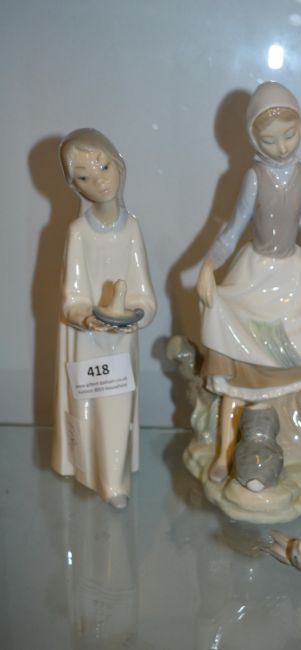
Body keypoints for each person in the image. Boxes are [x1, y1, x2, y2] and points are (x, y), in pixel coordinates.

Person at [197, 82, 301, 483]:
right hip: (255, 276)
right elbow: (232, 230)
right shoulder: (254, 178)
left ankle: (283, 441)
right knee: (235, 368)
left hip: (291, 277)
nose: (282, 148)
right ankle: (224, 452)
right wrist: (209, 266)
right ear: (254, 139)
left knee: (292, 347)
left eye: (290, 135)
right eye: (269, 140)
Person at [52, 129, 156, 508]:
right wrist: (85, 317)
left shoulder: (132, 229)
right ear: (75, 186)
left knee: (116, 405)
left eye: (103, 166)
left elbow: (143, 290)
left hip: (120, 339)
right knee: (86, 407)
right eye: (84, 176)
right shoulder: (78, 233)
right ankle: (87, 471)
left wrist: (137, 313)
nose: (99, 180)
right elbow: (71, 296)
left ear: (119, 164)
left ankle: (113, 482)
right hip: (87, 339)